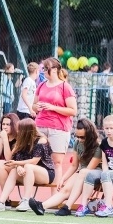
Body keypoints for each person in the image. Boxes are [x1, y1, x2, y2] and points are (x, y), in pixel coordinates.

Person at [29, 119, 102, 216]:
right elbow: (74, 165)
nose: (79, 139)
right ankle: (42, 206)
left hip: (94, 173)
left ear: (90, 135)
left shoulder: (98, 147)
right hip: (81, 172)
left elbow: (89, 169)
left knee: (81, 174)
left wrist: (75, 179)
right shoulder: (77, 143)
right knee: (65, 190)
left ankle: (67, 206)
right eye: (77, 136)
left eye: (82, 137)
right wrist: (63, 179)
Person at [0, 118, 55, 212]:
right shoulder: (20, 140)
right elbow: (12, 159)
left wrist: (17, 163)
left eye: (19, 129)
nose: (17, 131)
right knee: (13, 171)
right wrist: (17, 166)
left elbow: (34, 161)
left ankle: (26, 200)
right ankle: (1, 202)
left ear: (26, 130)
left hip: (45, 172)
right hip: (27, 171)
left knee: (28, 166)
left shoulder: (41, 140)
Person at [75, 115, 113, 217]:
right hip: (107, 175)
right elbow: (105, 163)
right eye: (106, 128)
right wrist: (105, 172)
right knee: (90, 174)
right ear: (103, 129)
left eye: (111, 128)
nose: (109, 131)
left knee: (106, 174)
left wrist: (108, 173)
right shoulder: (104, 142)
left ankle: (108, 207)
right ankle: (83, 206)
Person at [33, 57, 77, 188]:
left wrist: (53, 107)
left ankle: (55, 195)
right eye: (44, 68)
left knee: (56, 162)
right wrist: (37, 107)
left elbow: (73, 110)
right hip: (40, 125)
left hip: (58, 128)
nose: (45, 71)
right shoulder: (41, 85)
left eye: (48, 68)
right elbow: (33, 105)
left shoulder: (65, 87)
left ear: (56, 70)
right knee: (36, 158)